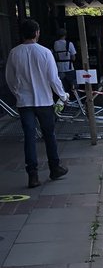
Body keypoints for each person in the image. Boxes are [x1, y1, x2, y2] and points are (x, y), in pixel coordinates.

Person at [4, 19, 69, 188]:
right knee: (49, 135)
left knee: (29, 138)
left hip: (24, 103)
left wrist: (17, 93)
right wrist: (62, 95)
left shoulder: (14, 53)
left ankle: (32, 175)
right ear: (37, 33)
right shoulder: (45, 52)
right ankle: (54, 168)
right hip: (44, 101)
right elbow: (53, 79)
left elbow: (9, 79)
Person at [52, 26, 78, 98]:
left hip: (59, 68)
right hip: (69, 68)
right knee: (73, 86)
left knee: (62, 87)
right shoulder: (69, 44)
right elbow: (73, 57)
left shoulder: (55, 44)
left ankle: (64, 100)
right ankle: (76, 99)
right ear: (65, 35)